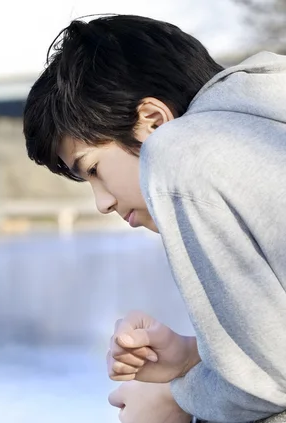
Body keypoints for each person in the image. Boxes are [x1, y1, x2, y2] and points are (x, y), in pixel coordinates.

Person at [22, 14, 286, 423]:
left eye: (92, 169)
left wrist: (176, 400)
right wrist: (190, 358)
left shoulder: (180, 150)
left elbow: (268, 386)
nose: (102, 203)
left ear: (153, 121)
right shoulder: (264, 120)